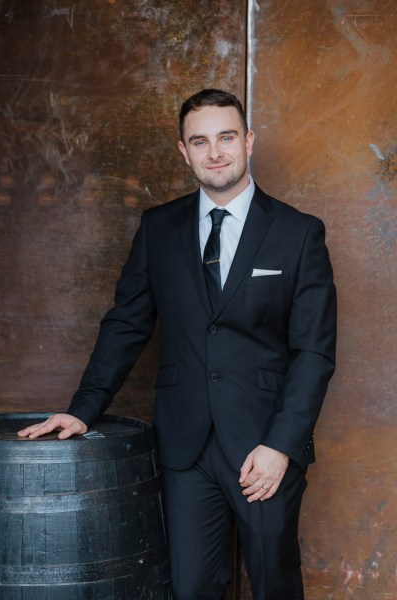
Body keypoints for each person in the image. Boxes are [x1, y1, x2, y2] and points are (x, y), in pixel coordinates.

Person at [18, 89, 337, 599]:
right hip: (184, 448)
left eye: (227, 137)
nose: (215, 152)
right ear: (183, 152)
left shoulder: (298, 234)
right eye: (200, 141)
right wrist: (84, 408)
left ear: (249, 142)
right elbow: (126, 324)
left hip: (264, 447)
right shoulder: (158, 228)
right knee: (189, 589)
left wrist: (281, 444)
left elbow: (314, 352)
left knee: (275, 585)